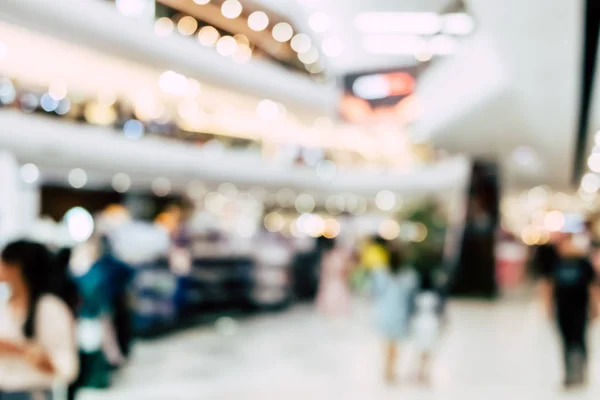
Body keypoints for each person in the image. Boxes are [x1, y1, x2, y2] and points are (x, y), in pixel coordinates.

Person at [0, 240, 79, 399]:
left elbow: (67, 366)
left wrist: (26, 351)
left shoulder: (50, 307)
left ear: (16, 267)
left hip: (32, 392)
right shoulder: (5, 305)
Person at [540, 233, 600, 388]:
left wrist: (596, 307)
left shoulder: (583, 263)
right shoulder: (555, 263)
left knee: (579, 339)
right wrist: (547, 306)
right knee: (566, 341)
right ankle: (569, 374)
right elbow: (548, 285)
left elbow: (592, 286)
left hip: (580, 309)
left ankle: (580, 371)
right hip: (562, 308)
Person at [373, 242, 418, 383]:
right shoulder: (409, 276)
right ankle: (390, 371)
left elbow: (376, 292)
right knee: (395, 346)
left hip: (384, 313)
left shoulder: (380, 273)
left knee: (387, 344)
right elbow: (412, 297)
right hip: (400, 314)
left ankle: (387, 370)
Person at [316, 238, 352, 317]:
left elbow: (325, 272)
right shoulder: (337, 256)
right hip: (336, 284)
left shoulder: (327, 256)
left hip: (332, 283)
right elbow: (343, 270)